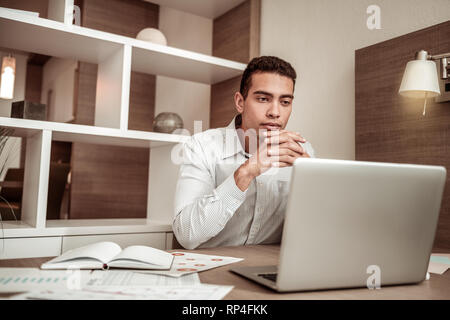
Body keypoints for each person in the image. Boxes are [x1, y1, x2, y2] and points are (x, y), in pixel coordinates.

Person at [173, 56, 315, 249]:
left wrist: (313, 180)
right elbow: (187, 235)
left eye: (285, 102)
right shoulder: (201, 146)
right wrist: (245, 173)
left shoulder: (301, 151)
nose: (275, 112)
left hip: (270, 269)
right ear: (240, 102)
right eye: (263, 99)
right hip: (210, 268)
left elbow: (316, 233)